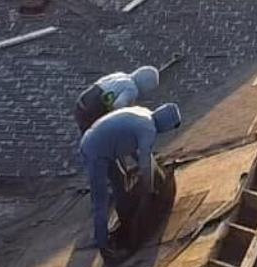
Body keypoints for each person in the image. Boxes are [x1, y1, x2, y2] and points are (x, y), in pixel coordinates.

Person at [78, 103, 182, 254]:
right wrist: (149, 188)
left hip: (99, 141)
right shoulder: (149, 129)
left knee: (121, 180)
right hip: (94, 151)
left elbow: (134, 149)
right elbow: (145, 164)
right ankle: (103, 244)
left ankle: (125, 217)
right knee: (100, 200)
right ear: (166, 124)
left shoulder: (144, 113)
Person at [72, 66, 161, 133]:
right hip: (92, 113)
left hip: (81, 105)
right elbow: (118, 105)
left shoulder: (120, 75)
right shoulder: (132, 89)